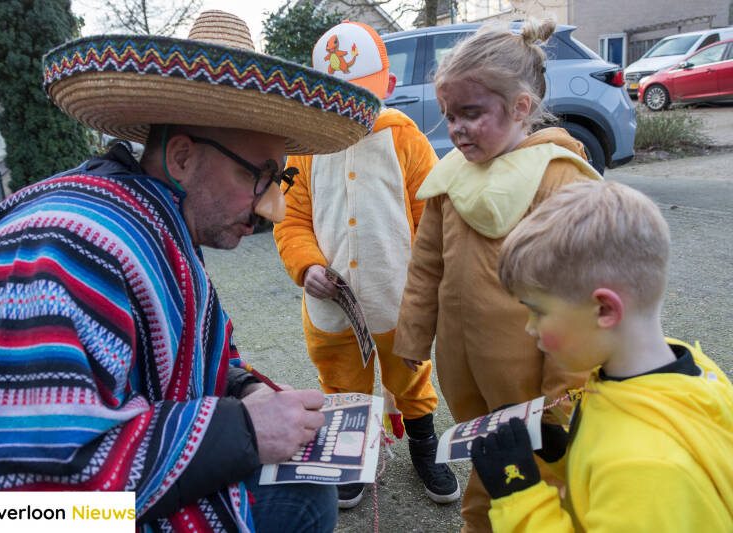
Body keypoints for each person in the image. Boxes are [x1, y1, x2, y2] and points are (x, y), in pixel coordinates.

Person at [0, 10, 384, 533]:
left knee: (303, 488)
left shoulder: (148, 221)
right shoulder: (60, 255)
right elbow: (17, 508)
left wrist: (244, 389)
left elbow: (169, 358)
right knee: (302, 499)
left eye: (278, 179)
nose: (274, 209)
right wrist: (244, 429)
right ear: (182, 157)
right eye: (257, 176)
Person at [391, 19, 602, 532]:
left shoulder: (557, 178)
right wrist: (413, 334)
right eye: (449, 115)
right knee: (486, 459)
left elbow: (578, 301)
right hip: (463, 366)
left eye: (471, 113)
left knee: (536, 475)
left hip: (529, 375)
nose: (456, 128)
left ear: (520, 107)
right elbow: (426, 264)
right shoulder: (449, 178)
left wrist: (562, 397)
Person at [469, 180, 733, 531]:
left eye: (538, 311)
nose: (530, 328)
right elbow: (608, 473)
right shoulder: (684, 371)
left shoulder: (645, 468)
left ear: (605, 310)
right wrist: (562, 450)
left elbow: (627, 474)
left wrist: (518, 495)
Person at [273, 20, 459, 509]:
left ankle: (424, 446)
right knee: (341, 382)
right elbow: (290, 220)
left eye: (360, 94)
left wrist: (431, 285)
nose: (347, 106)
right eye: (334, 95)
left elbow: (432, 216)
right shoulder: (304, 150)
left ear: (388, 87)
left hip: (398, 298)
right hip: (332, 308)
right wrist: (307, 266)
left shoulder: (405, 139)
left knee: (411, 377)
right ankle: (350, 455)